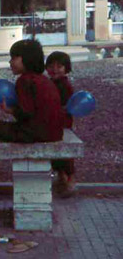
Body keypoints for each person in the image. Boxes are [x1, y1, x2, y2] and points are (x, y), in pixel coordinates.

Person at [0, 39, 64, 143]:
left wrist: (11, 110)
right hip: (55, 133)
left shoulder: (25, 80)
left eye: (13, 58)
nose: (10, 62)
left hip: (34, 134)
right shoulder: (43, 79)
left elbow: (26, 114)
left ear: (27, 59)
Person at [46, 51, 76, 196]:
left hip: (62, 123)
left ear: (66, 68)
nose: (55, 69)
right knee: (58, 152)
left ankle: (69, 180)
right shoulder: (51, 83)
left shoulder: (64, 85)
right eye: (51, 66)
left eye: (59, 66)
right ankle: (62, 178)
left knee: (64, 152)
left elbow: (65, 105)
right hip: (54, 122)